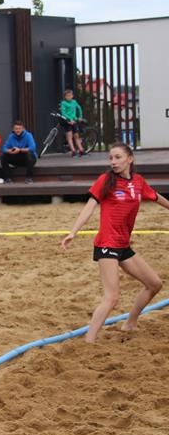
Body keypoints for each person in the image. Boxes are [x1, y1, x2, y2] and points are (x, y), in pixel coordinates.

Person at [61, 143, 169, 342]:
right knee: (111, 297)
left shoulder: (138, 181)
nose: (113, 162)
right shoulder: (106, 180)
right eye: (111, 158)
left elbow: (155, 197)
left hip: (123, 245)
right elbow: (89, 207)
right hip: (107, 244)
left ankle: (129, 323)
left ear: (130, 159)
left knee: (154, 284)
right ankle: (89, 341)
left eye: (118, 157)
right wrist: (73, 232)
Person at [60, 89, 85, 157]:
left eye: (70, 95)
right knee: (69, 136)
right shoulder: (63, 103)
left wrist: (80, 117)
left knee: (76, 135)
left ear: (72, 96)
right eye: (67, 96)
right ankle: (73, 151)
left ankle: (81, 150)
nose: (68, 97)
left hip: (74, 120)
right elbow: (63, 113)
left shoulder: (74, 102)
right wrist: (69, 119)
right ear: (65, 97)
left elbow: (79, 108)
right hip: (67, 121)